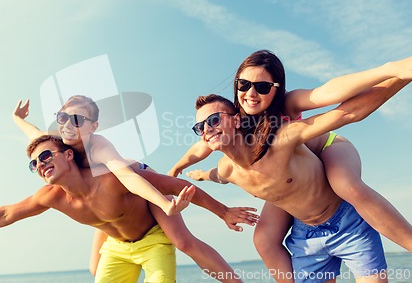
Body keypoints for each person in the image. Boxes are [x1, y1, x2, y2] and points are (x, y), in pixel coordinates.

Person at [170, 52, 412, 282]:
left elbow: (335, 102)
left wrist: (394, 72)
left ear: (276, 89)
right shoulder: (231, 129)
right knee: (264, 238)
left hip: (326, 146)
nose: (251, 93)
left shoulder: (286, 110)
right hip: (297, 189)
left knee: (345, 184)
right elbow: (205, 152)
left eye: (263, 87)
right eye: (243, 85)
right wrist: (185, 170)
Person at [0, 135, 258, 283]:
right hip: (116, 247)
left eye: (45, 156)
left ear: (68, 154)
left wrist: (223, 212)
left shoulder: (111, 177)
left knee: (185, 243)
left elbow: (172, 186)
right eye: (34, 164)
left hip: (153, 238)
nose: (41, 164)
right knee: (94, 269)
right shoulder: (51, 196)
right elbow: (7, 213)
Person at [13, 97, 258, 282]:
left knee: (183, 242)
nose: (67, 124)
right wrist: (18, 119)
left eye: (76, 119)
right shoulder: (58, 145)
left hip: (140, 180)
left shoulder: (97, 145)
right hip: (108, 195)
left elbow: (127, 176)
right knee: (94, 269)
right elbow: (35, 134)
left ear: (92, 125)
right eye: (62, 118)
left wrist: (215, 210)